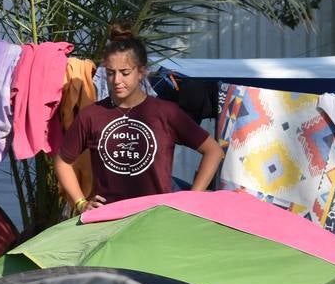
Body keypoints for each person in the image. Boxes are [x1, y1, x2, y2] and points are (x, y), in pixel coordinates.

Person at [56, 22, 223, 211]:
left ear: (141, 72)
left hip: (156, 221)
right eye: (110, 73)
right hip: (106, 223)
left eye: (125, 73)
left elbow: (213, 151)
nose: (117, 80)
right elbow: (62, 161)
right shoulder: (91, 116)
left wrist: (191, 199)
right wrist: (81, 203)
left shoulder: (166, 112)